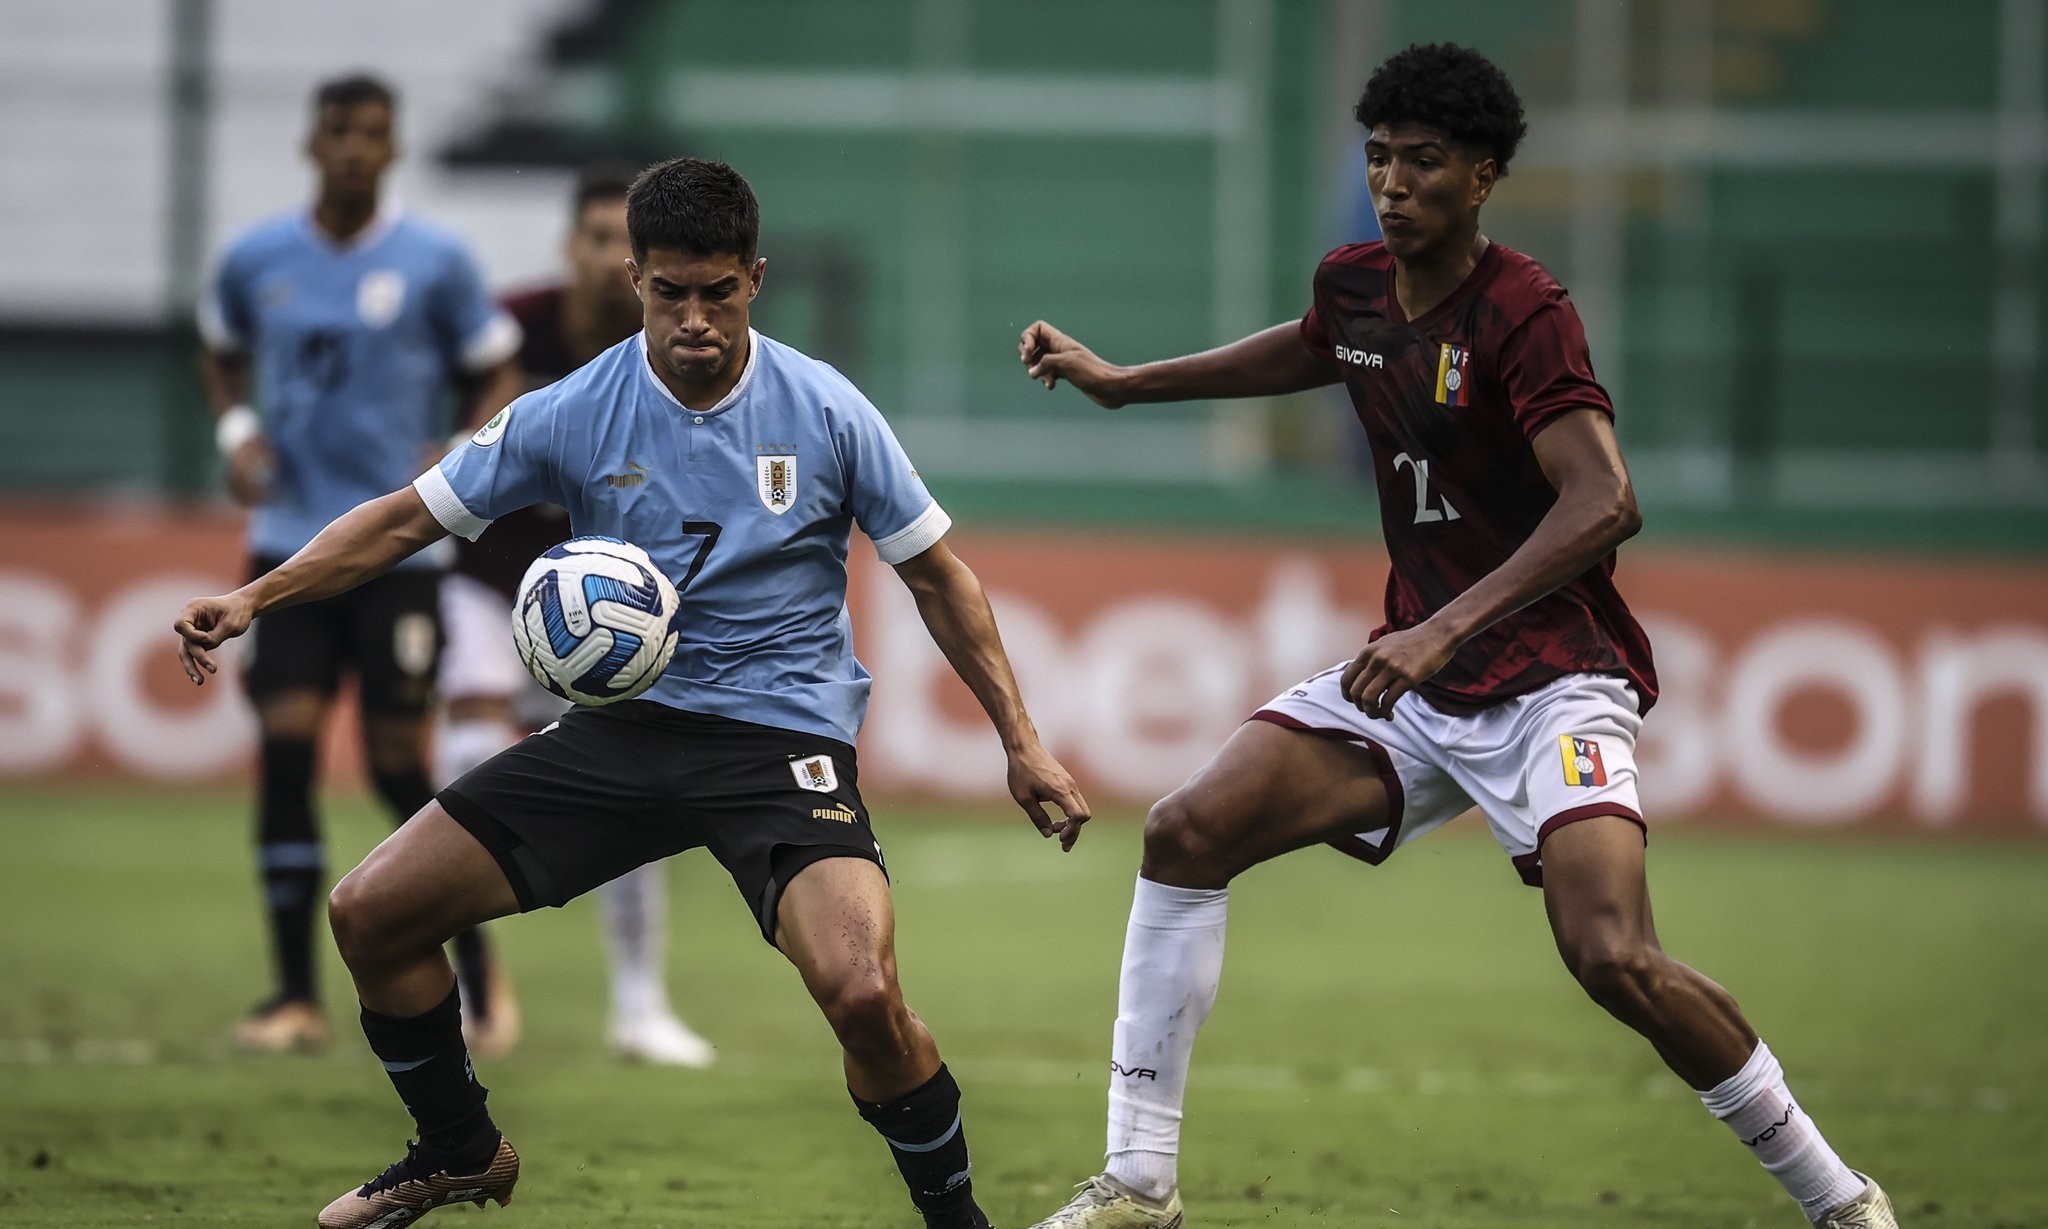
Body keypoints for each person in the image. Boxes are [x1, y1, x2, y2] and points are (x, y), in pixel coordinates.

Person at [1015, 43, 1895, 1229]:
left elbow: (1604, 501)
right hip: (1421, 684)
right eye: (1377, 157)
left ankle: (1839, 1202)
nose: (1391, 182)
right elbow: (1311, 346)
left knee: (1611, 956)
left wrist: (1441, 626)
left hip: (1551, 679)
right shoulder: (1358, 288)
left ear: (1481, 177)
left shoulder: (1525, 313)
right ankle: (1137, 1183)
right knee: (1185, 830)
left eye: (1421, 162)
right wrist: (1126, 382)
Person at [175, 156, 1091, 1229]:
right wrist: (257, 595)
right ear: (633, 278)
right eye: (668, 292)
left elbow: (937, 574)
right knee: (372, 911)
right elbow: (403, 519)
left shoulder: (827, 410)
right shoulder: (569, 410)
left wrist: (1021, 741)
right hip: (620, 731)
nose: (692, 318)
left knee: (861, 994)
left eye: (717, 292)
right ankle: (457, 1146)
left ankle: (957, 1221)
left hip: (776, 739)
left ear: (756, 277)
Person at [196, 72, 524, 1055]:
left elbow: (497, 364)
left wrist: (461, 445)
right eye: (338, 130)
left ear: (392, 149)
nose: (352, 148)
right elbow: (219, 350)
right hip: (287, 547)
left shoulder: (435, 261)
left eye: (371, 133)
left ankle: (476, 974)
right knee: (287, 745)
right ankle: (294, 994)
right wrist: (239, 429)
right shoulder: (258, 257)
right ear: (313, 142)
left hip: (397, 552)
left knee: (393, 764)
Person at [436, 167, 714, 1067]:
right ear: (572, 248)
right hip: (489, 584)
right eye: (593, 238)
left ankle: (640, 1005)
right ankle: (477, 981)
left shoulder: (677, 340)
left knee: (632, 784)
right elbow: (443, 446)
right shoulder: (508, 328)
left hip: (614, 602)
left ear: (640, 265)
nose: (606, 259)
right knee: (465, 751)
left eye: (620, 244)